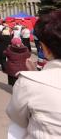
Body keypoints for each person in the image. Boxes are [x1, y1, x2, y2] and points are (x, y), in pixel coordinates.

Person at [6, 9, 61, 138]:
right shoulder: (26, 52)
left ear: (45, 49)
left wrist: (35, 78)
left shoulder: (28, 82)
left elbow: (17, 118)